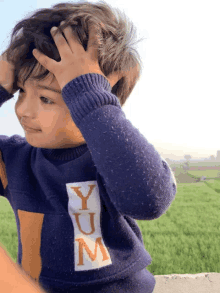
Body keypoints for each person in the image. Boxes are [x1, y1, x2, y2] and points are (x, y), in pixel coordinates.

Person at [0, 1, 177, 292]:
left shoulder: (112, 157)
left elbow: (150, 200)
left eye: (46, 99)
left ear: (95, 98)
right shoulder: (15, 161)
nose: (23, 110)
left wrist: (91, 98)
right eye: (20, 91)